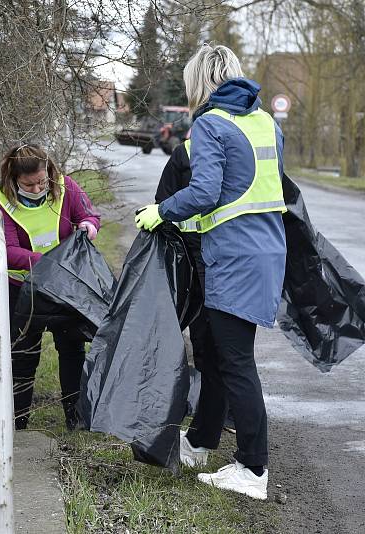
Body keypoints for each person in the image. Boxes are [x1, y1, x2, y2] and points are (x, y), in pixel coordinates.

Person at [135, 44, 286, 500]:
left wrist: (160, 211)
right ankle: (201, 442)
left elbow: (204, 192)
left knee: (236, 362)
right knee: (223, 357)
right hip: (266, 253)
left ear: (199, 82)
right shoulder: (266, 122)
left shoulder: (209, 124)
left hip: (234, 258)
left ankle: (252, 469)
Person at [0, 143, 101, 431]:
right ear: (14, 179)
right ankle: (18, 422)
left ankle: (75, 417)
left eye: (42, 180)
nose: (38, 186)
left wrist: (88, 228)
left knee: (72, 349)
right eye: (30, 184)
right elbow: (9, 251)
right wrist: (46, 261)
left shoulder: (66, 187)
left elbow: (89, 217)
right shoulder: (3, 203)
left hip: (65, 286)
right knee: (23, 356)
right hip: (23, 289)